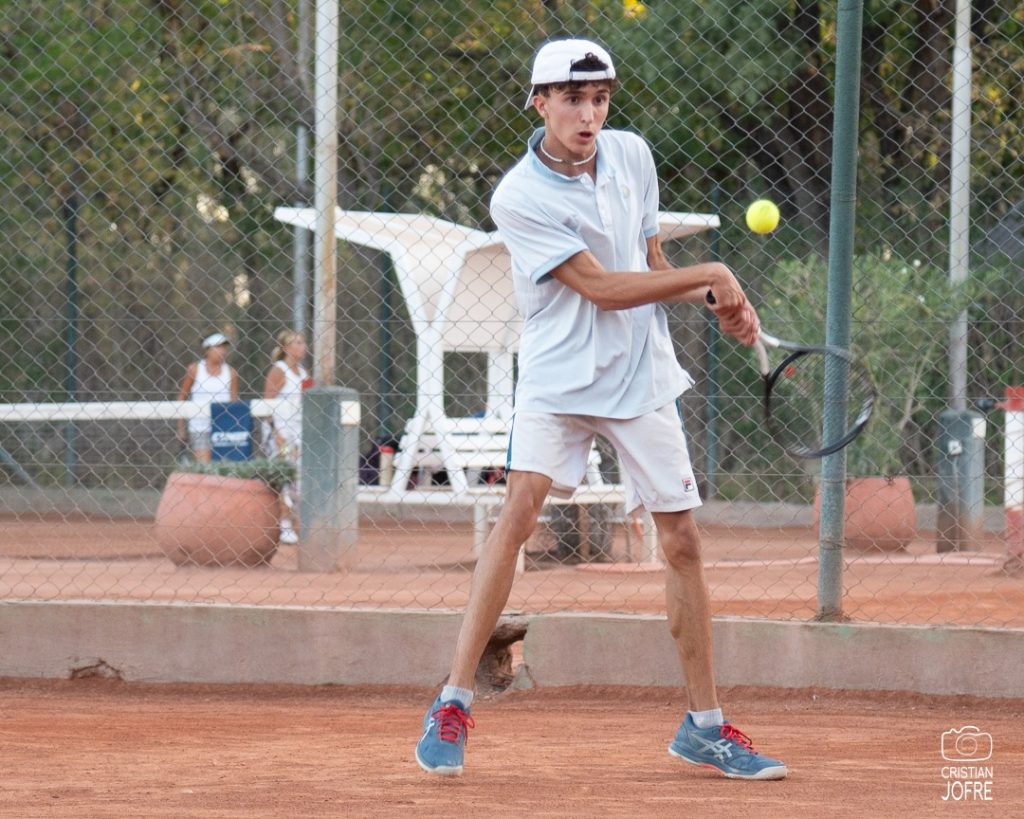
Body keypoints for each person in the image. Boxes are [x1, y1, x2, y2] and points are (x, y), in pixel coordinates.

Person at [415, 38, 788, 781]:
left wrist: (713, 299)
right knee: (519, 513)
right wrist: (712, 271)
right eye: (573, 100)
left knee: (682, 540)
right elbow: (600, 287)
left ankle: (704, 727)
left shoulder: (633, 156)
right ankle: (452, 701)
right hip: (558, 376)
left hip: (640, 373)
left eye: (600, 99)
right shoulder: (518, 196)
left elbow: (648, 267)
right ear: (539, 103)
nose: (589, 115)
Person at [262, 330, 310, 545]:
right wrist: (276, 433)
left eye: (303, 342)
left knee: (298, 478)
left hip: (298, 433)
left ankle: (297, 522)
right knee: (283, 475)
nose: (302, 346)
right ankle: (285, 524)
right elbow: (266, 405)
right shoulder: (279, 370)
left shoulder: (303, 373)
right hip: (280, 433)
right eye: (297, 343)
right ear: (285, 348)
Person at [177, 332, 238, 463]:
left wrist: (235, 427)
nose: (222, 351)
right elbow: (182, 397)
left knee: (224, 464)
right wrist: (180, 428)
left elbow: (234, 401)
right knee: (205, 465)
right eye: (218, 347)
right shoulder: (195, 369)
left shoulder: (231, 372)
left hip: (224, 426)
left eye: (224, 347)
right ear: (207, 350)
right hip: (199, 426)